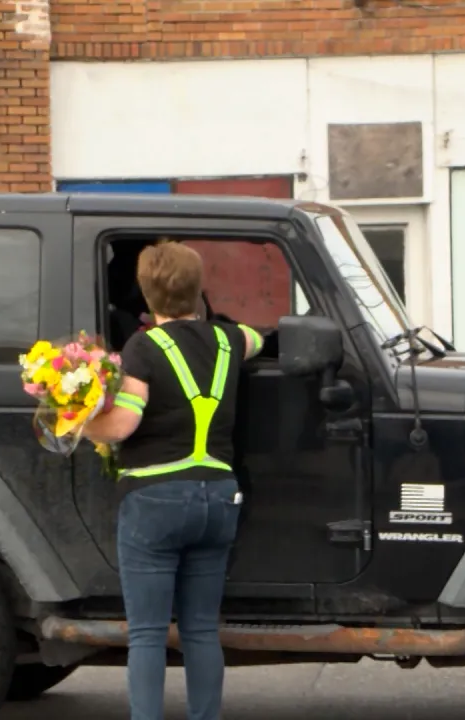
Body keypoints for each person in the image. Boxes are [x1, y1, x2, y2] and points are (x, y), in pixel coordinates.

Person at [83, 240, 265, 720]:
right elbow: (257, 339)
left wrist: (78, 423)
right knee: (201, 629)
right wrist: (220, 325)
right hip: (219, 498)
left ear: (147, 295)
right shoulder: (230, 340)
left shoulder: (142, 348)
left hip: (156, 501)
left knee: (147, 633)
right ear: (198, 288)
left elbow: (122, 425)